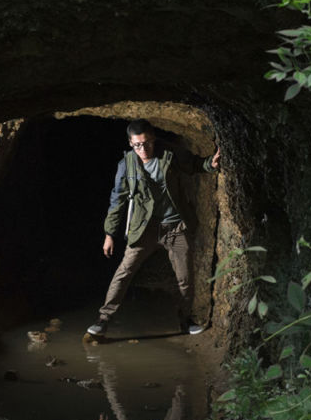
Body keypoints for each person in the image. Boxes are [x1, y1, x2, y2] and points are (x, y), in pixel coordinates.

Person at [86, 119, 221, 336]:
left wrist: (210, 164)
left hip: (175, 227)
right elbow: (117, 200)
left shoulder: (170, 153)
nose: (143, 149)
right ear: (130, 143)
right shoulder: (126, 165)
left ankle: (186, 320)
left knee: (185, 277)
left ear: (154, 139)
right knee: (124, 272)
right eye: (137, 145)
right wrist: (109, 233)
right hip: (145, 228)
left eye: (147, 143)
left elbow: (194, 164)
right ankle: (103, 319)